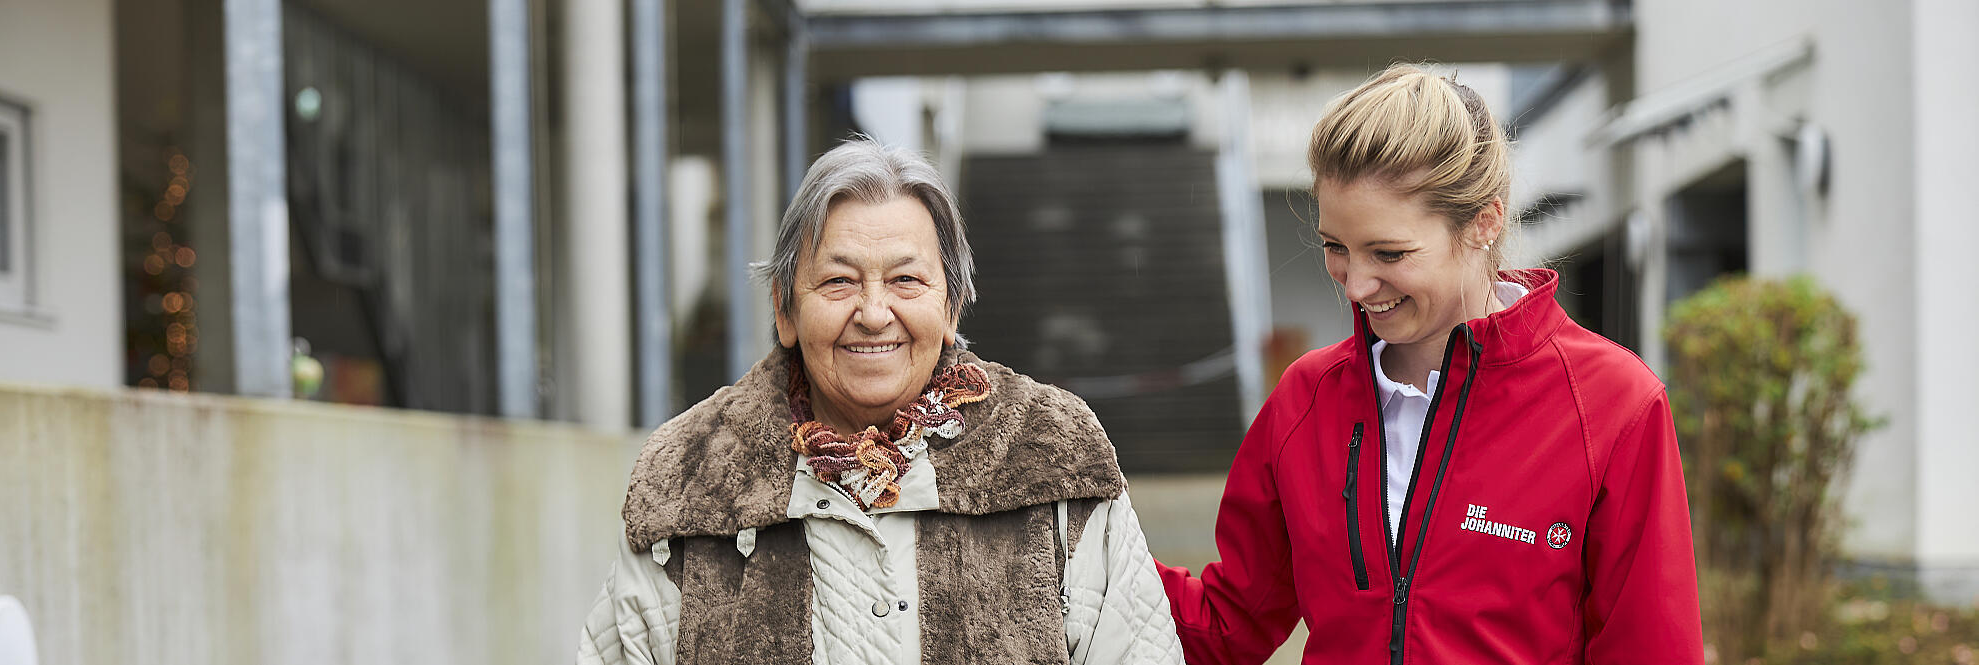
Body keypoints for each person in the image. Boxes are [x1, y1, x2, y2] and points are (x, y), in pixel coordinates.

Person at [1156, 64, 1704, 664]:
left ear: (1484, 223)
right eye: (1335, 247)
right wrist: (1074, 545)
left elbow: (1652, 649)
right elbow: (1225, 625)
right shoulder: (1305, 398)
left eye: (1389, 252)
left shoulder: (1612, 405)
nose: (1357, 286)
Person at [577, 138, 1183, 665]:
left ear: (951, 307)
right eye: (838, 281)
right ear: (785, 310)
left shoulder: (1053, 461)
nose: (872, 314)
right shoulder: (691, 483)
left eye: (906, 280)